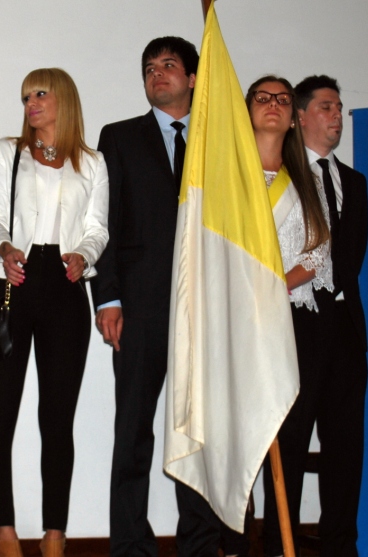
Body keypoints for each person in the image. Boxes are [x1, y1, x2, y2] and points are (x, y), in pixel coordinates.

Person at [0, 68, 109, 557]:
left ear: (64, 100)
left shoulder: (92, 163)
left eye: (40, 94)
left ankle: (55, 533)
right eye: (25, 96)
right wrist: (5, 247)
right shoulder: (4, 152)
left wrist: (84, 256)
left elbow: (98, 227)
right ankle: (4, 531)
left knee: (58, 419)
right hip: (11, 281)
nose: (30, 103)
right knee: (0, 413)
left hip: (65, 286)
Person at [92, 36, 208, 557]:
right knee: (133, 431)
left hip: (203, 309)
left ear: (193, 78)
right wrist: (107, 298)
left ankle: (200, 543)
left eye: (168, 65)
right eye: (148, 68)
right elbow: (103, 222)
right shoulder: (119, 137)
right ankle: (130, 545)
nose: (156, 74)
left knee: (198, 435)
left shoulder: (217, 139)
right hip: (138, 308)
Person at [265, 74, 368, 557]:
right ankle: (276, 543)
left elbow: (351, 259)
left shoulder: (356, 183)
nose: (336, 116)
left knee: (345, 446)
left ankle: (340, 545)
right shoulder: (279, 177)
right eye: (326, 107)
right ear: (300, 116)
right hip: (295, 321)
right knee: (289, 439)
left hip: (345, 326)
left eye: (340, 108)